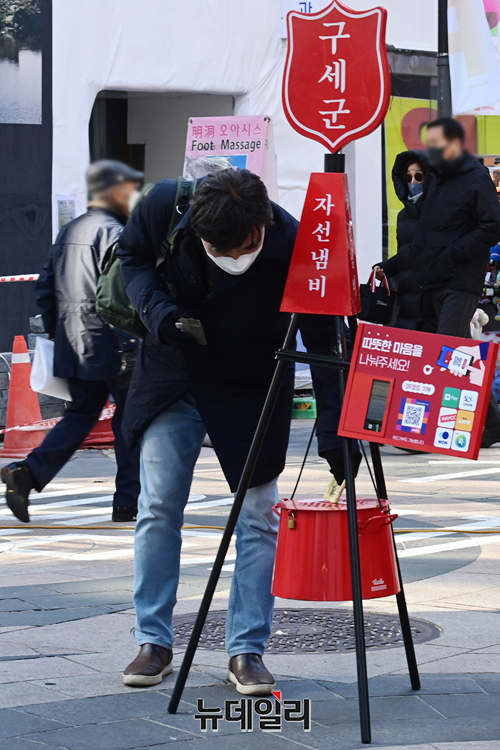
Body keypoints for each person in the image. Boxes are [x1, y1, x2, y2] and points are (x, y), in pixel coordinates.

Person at [116, 168, 358, 694]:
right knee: (158, 506)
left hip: (252, 383)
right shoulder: (166, 205)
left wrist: (336, 435)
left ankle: (247, 649)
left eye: (244, 248)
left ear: (262, 223)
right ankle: (153, 641)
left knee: (257, 517)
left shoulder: (295, 242)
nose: (232, 258)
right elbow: (130, 257)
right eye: (216, 250)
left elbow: (324, 339)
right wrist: (159, 312)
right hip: (174, 373)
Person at [1, 160, 143, 523]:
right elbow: (122, 293)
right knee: (130, 419)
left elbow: (44, 288)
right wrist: (133, 339)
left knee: (81, 413)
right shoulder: (116, 232)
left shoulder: (70, 229)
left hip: (73, 341)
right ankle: (128, 499)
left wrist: (55, 334)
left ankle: (28, 472)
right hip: (114, 343)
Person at [411, 117, 500, 447]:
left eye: (438, 142)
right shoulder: (437, 178)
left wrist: (455, 253)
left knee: (445, 350)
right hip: (434, 277)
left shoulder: (475, 176)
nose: (432, 149)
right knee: (461, 352)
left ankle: (426, 427)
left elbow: (493, 225)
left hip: (461, 278)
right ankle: (493, 422)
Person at [373, 150, 437, 331]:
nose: (413, 182)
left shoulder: (441, 211)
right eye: (408, 177)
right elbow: (405, 253)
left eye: (419, 176)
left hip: (435, 299)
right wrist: (384, 267)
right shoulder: (403, 215)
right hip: (407, 300)